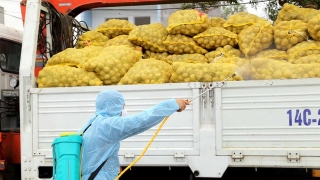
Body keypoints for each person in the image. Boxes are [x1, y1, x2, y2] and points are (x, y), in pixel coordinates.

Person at [79, 89, 189, 180]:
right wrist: (173, 104)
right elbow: (142, 120)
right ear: (114, 106)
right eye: (122, 106)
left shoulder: (90, 125)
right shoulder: (108, 125)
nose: (123, 110)